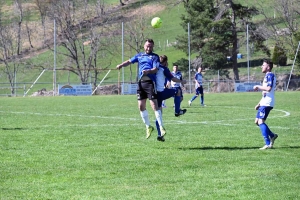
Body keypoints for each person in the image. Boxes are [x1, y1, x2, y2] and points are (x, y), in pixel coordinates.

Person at [116, 39, 165, 139]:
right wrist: (121, 65)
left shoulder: (155, 57)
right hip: (140, 83)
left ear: (153, 47)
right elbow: (129, 61)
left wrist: (148, 71)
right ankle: (148, 127)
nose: (149, 48)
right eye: (147, 46)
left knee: (154, 105)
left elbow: (155, 69)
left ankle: (161, 127)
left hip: (150, 83)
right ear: (144, 46)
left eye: (150, 46)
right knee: (141, 107)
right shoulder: (139, 55)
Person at [155, 55, 187, 141]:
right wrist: (181, 81)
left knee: (158, 114)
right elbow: (173, 79)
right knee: (178, 91)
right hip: (161, 93)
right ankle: (177, 111)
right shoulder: (164, 68)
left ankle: (159, 135)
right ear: (165, 62)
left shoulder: (154, 68)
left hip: (154, 94)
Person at [253, 59, 278, 150]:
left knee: (260, 122)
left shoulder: (270, 75)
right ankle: (272, 135)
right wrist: (259, 103)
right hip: (264, 102)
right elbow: (265, 93)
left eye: (263, 65)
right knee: (257, 121)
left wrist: (258, 86)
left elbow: (268, 88)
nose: (261, 67)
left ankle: (267, 143)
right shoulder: (267, 76)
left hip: (267, 102)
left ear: (268, 67)